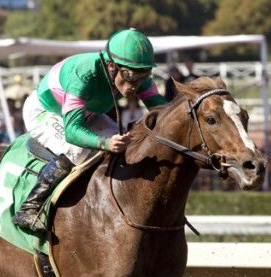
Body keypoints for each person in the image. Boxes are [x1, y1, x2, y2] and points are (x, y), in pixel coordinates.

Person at [12, 28, 167, 233]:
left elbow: (163, 112)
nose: (134, 85)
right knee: (76, 150)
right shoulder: (83, 74)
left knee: (131, 144)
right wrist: (105, 143)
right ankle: (29, 207)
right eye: (129, 76)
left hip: (88, 113)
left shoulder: (133, 73)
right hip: (46, 111)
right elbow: (73, 131)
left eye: (143, 76)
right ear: (112, 67)